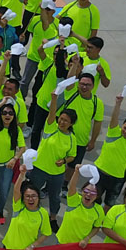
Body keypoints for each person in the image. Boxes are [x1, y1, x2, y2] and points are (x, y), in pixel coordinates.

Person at [27, 90, 78, 230]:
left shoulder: (72, 139)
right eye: (61, 118)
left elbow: (72, 156)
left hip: (57, 173)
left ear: (71, 124)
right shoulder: (51, 127)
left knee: (55, 197)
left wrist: (64, 161)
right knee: (33, 192)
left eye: (66, 121)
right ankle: (30, 213)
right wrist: (54, 99)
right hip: (39, 168)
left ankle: (53, 218)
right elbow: (51, 113)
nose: (61, 122)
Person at [93, 94, 126, 206]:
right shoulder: (114, 133)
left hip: (117, 179)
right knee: (93, 199)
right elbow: (114, 118)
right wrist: (118, 103)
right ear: (122, 126)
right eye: (125, 128)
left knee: (109, 204)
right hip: (100, 173)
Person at [57, 166, 104, 246]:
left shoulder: (99, 210)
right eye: (86, 191)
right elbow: (72, 186)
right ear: (82, 191)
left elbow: (96, 227)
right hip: (62, 242)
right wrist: (76, 172)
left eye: (93, 193)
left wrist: (87, 238)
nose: (88, 194)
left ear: (97, 196)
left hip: (80, 245)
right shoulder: (74, 201)